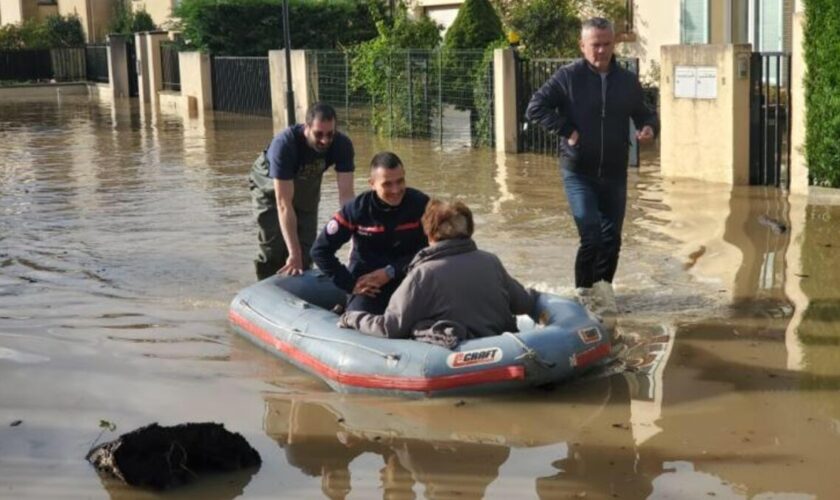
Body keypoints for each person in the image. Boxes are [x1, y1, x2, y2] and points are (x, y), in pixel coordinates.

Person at [525, 17, 659, 312]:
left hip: (614, 173)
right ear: (582, 45)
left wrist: (648, 128)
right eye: (595, 45)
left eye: (607, 44)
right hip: (578, 172)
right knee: (591, 234)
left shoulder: (626, 81)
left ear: (614, 44)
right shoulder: (567, 77)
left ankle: (604, 289)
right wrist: (568, 131)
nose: (601, 51)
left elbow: (645, 113)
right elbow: (535, 107)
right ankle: (584, 293)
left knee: (612, 238)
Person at [338, 199, 537, 342]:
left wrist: (353, 317)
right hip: (501, 346)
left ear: (430, 233)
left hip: (456, 355)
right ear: (469, 230)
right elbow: (523, 304)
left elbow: (391, 327)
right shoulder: (490, 261)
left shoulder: (423, 274)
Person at [310, 151, 429, 315]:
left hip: (409, 277)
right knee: (360, 322)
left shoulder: (421, 204)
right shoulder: (356, 210)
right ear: (372, 183)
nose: (395, 190)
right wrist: (350, 284)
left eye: (400, 181)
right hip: (369, 286)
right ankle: (346, 308)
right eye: (387, 184)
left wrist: (391, 271)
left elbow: (435, 249)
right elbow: (320, 251)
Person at [249, 102, 355, 280]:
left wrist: (355, 240)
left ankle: (299, 294)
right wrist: (293, 253)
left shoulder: (342, 145)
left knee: (307, 251)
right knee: (273, 248)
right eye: (319, 134)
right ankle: (266, 290)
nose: (325, 140)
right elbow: (283, 204)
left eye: (330, 134)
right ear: (306, 127)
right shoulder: (284, 145)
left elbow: (347, 198)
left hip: (307, 183)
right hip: (269, 184)